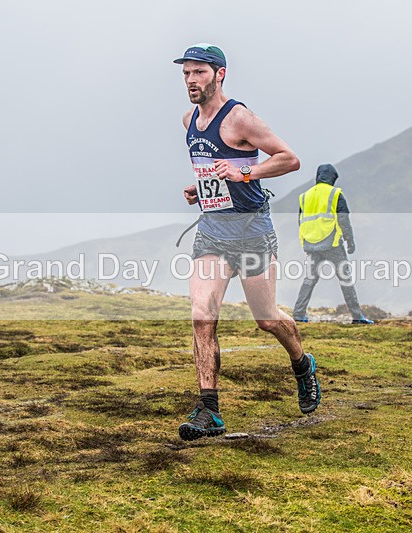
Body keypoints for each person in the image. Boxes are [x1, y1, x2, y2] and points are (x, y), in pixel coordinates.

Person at [173, 43, 321, 441]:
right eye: (186, 73)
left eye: (199, 72)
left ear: (219, 74)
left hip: (253, 232)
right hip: (213, 232)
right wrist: (200, 190)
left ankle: (303, 364)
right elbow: (215, 172)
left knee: (267, 318)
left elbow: (289, 158)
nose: (191, 80)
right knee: (202, 316)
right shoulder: (189, 119)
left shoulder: (240, 118)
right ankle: (210, 411)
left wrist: (246, 174)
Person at [292, 164, 374, 324]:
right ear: (332, 178)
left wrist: (307, 242)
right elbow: (343, 218)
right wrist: (350, 240)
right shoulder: (335, 194)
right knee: (345, 279)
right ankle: (357, 317)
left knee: (309, 279)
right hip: (332, 244)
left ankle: (298, 314)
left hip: (312, 244)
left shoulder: (305, 196)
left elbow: (301, 221)